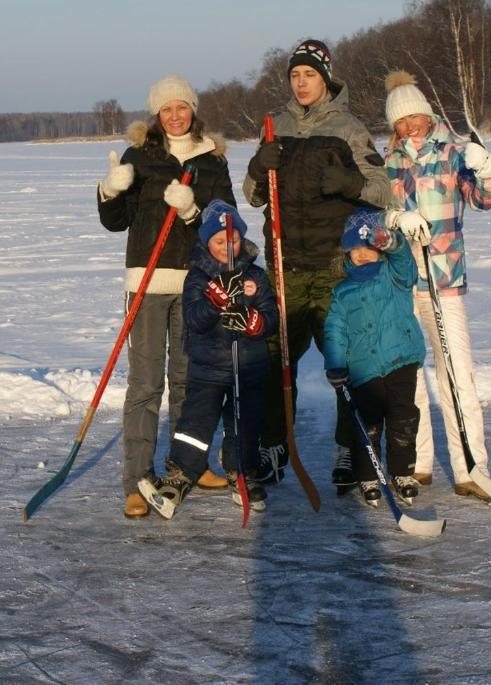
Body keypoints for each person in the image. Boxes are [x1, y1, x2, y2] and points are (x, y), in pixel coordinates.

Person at [242, 38, 391, 489]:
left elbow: (382, 192)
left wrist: (349, 183)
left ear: (325, 79)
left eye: (309, 75)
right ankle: (273, 447)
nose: (301, 83)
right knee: (272, 362)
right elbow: (253, 196)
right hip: (284, 264)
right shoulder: (275, 126)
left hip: (332, 267)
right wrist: (255, 165)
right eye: (295, 75)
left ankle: (350, 450)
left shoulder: (349, 129)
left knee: (344, 363)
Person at [98, 74, 237, 518]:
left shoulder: (212, 159)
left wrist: (194, 211)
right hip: (148, 282)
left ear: (194, 110)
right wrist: (111, 190)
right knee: (144, 383)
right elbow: (115, 222)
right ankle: (137, 480)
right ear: (156, 115)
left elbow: (229, 227)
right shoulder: (141, 156)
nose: (175, 115)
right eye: (166, 109)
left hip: (194, 283)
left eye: (182, 107)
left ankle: (186, 467)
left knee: (187, 379)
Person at [382, 70, 491, 501]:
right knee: (409, 377)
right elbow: (375, 219)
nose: (410, 126)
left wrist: (488, 168)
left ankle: (471, 466)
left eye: (415, 116)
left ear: (427, 114)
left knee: (456, 374)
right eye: (401, 121)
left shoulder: (453, 151)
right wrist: (395, 218)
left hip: (444, 279)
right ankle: (418, 461)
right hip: (400, 282)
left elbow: (484, 199)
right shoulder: (389, 163)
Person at [139, 200, 279, 519]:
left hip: (249, 368)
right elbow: (194, 320)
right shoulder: (198, 278)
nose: (227, 246)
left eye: (233, 239)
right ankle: (180, 475)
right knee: (195, 424)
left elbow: (271, 316)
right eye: (219, 241)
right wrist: (213, 302)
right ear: (206, 241)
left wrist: (255, 321)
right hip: (207, 368)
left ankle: (240, 473)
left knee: (244, 425)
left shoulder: (255, 275)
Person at [323, 208, 427, 505]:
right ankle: (368, 475)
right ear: (347, 253)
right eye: (356, 249)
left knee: (403, 418)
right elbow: (334, 331)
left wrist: (391, 241)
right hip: (364, 369)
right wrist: (335, 365)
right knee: (367, 424)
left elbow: (406, 263)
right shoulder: (343, 292)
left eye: (369, 247)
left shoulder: (394, 275)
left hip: (400, 360)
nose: (363, 254)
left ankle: (402, 471)